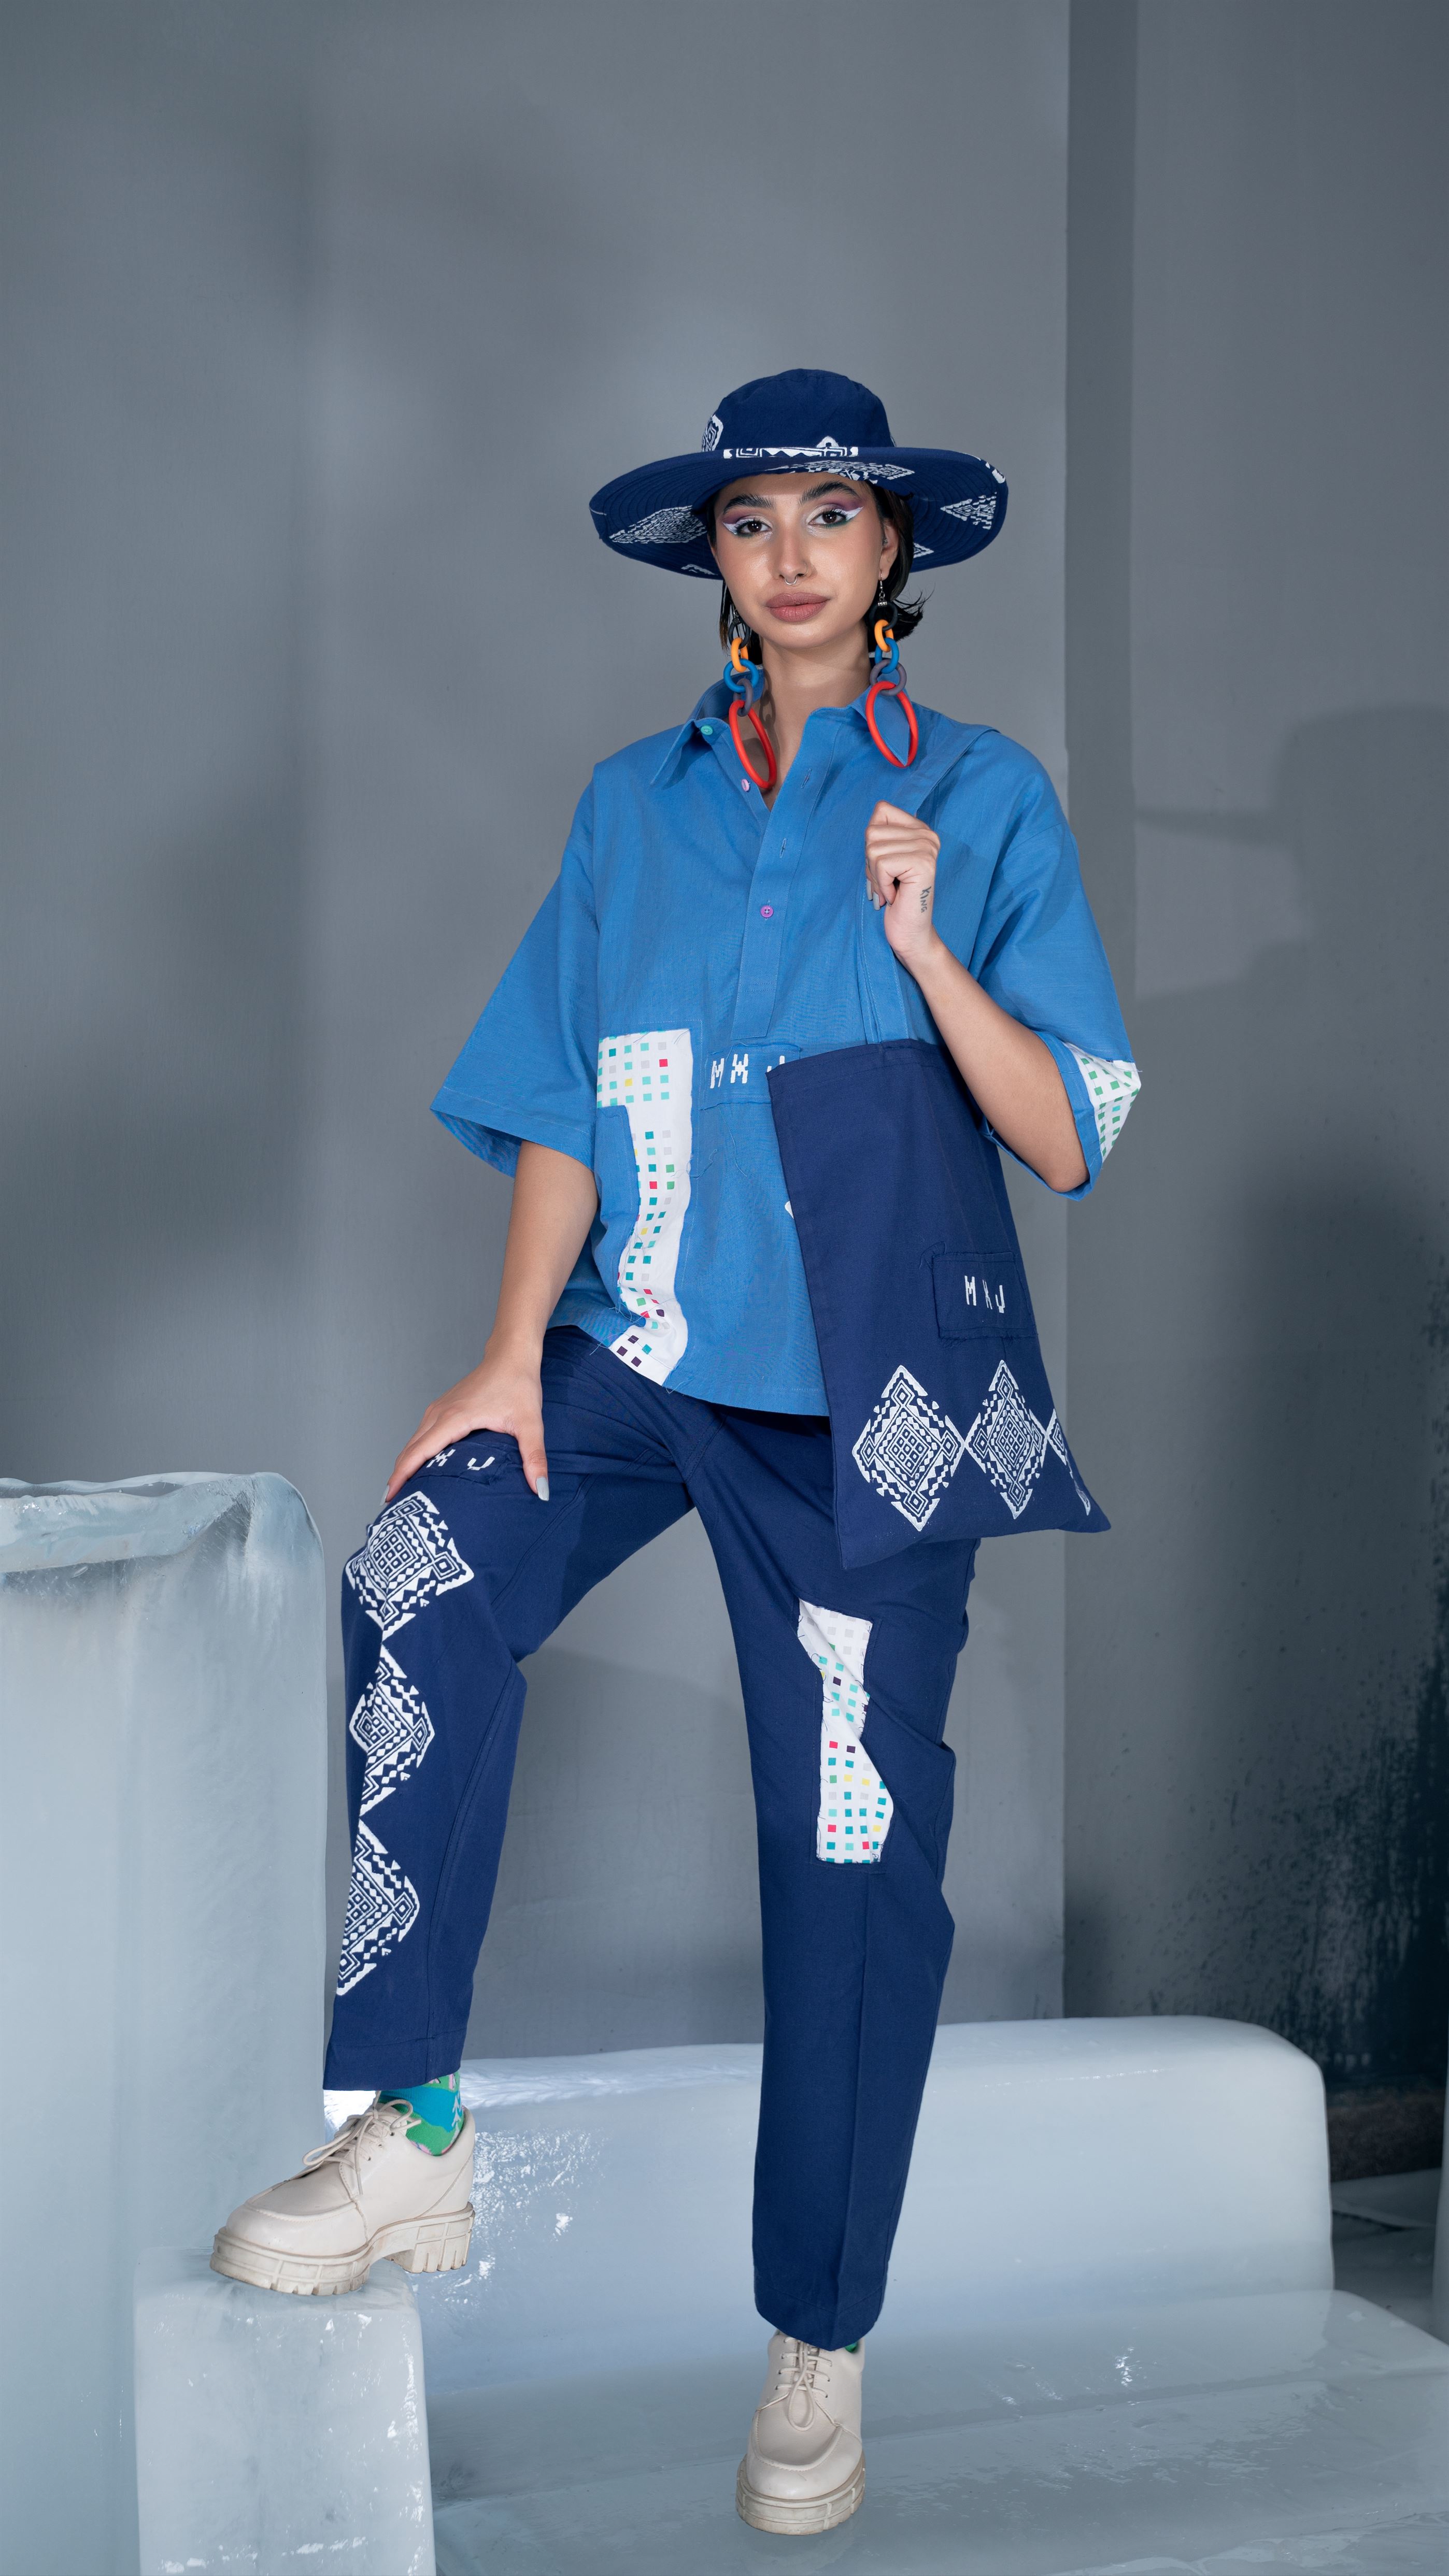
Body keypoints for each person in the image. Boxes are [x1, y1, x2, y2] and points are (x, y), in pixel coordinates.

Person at [212, 369, 1139, 2536]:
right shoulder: (632, 808)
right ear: (712, 559)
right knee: (417, 1573)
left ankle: (817, 2337)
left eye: (831, 515)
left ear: (891, 553)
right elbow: (564, 1094)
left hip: (863, 1421)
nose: (791, 553)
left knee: (849, 1861)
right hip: (634, 1366)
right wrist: (507, 1357)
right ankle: (412, 2129)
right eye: (753, 519)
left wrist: (927, 945)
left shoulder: (980, 795)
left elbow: (1069, 1131)